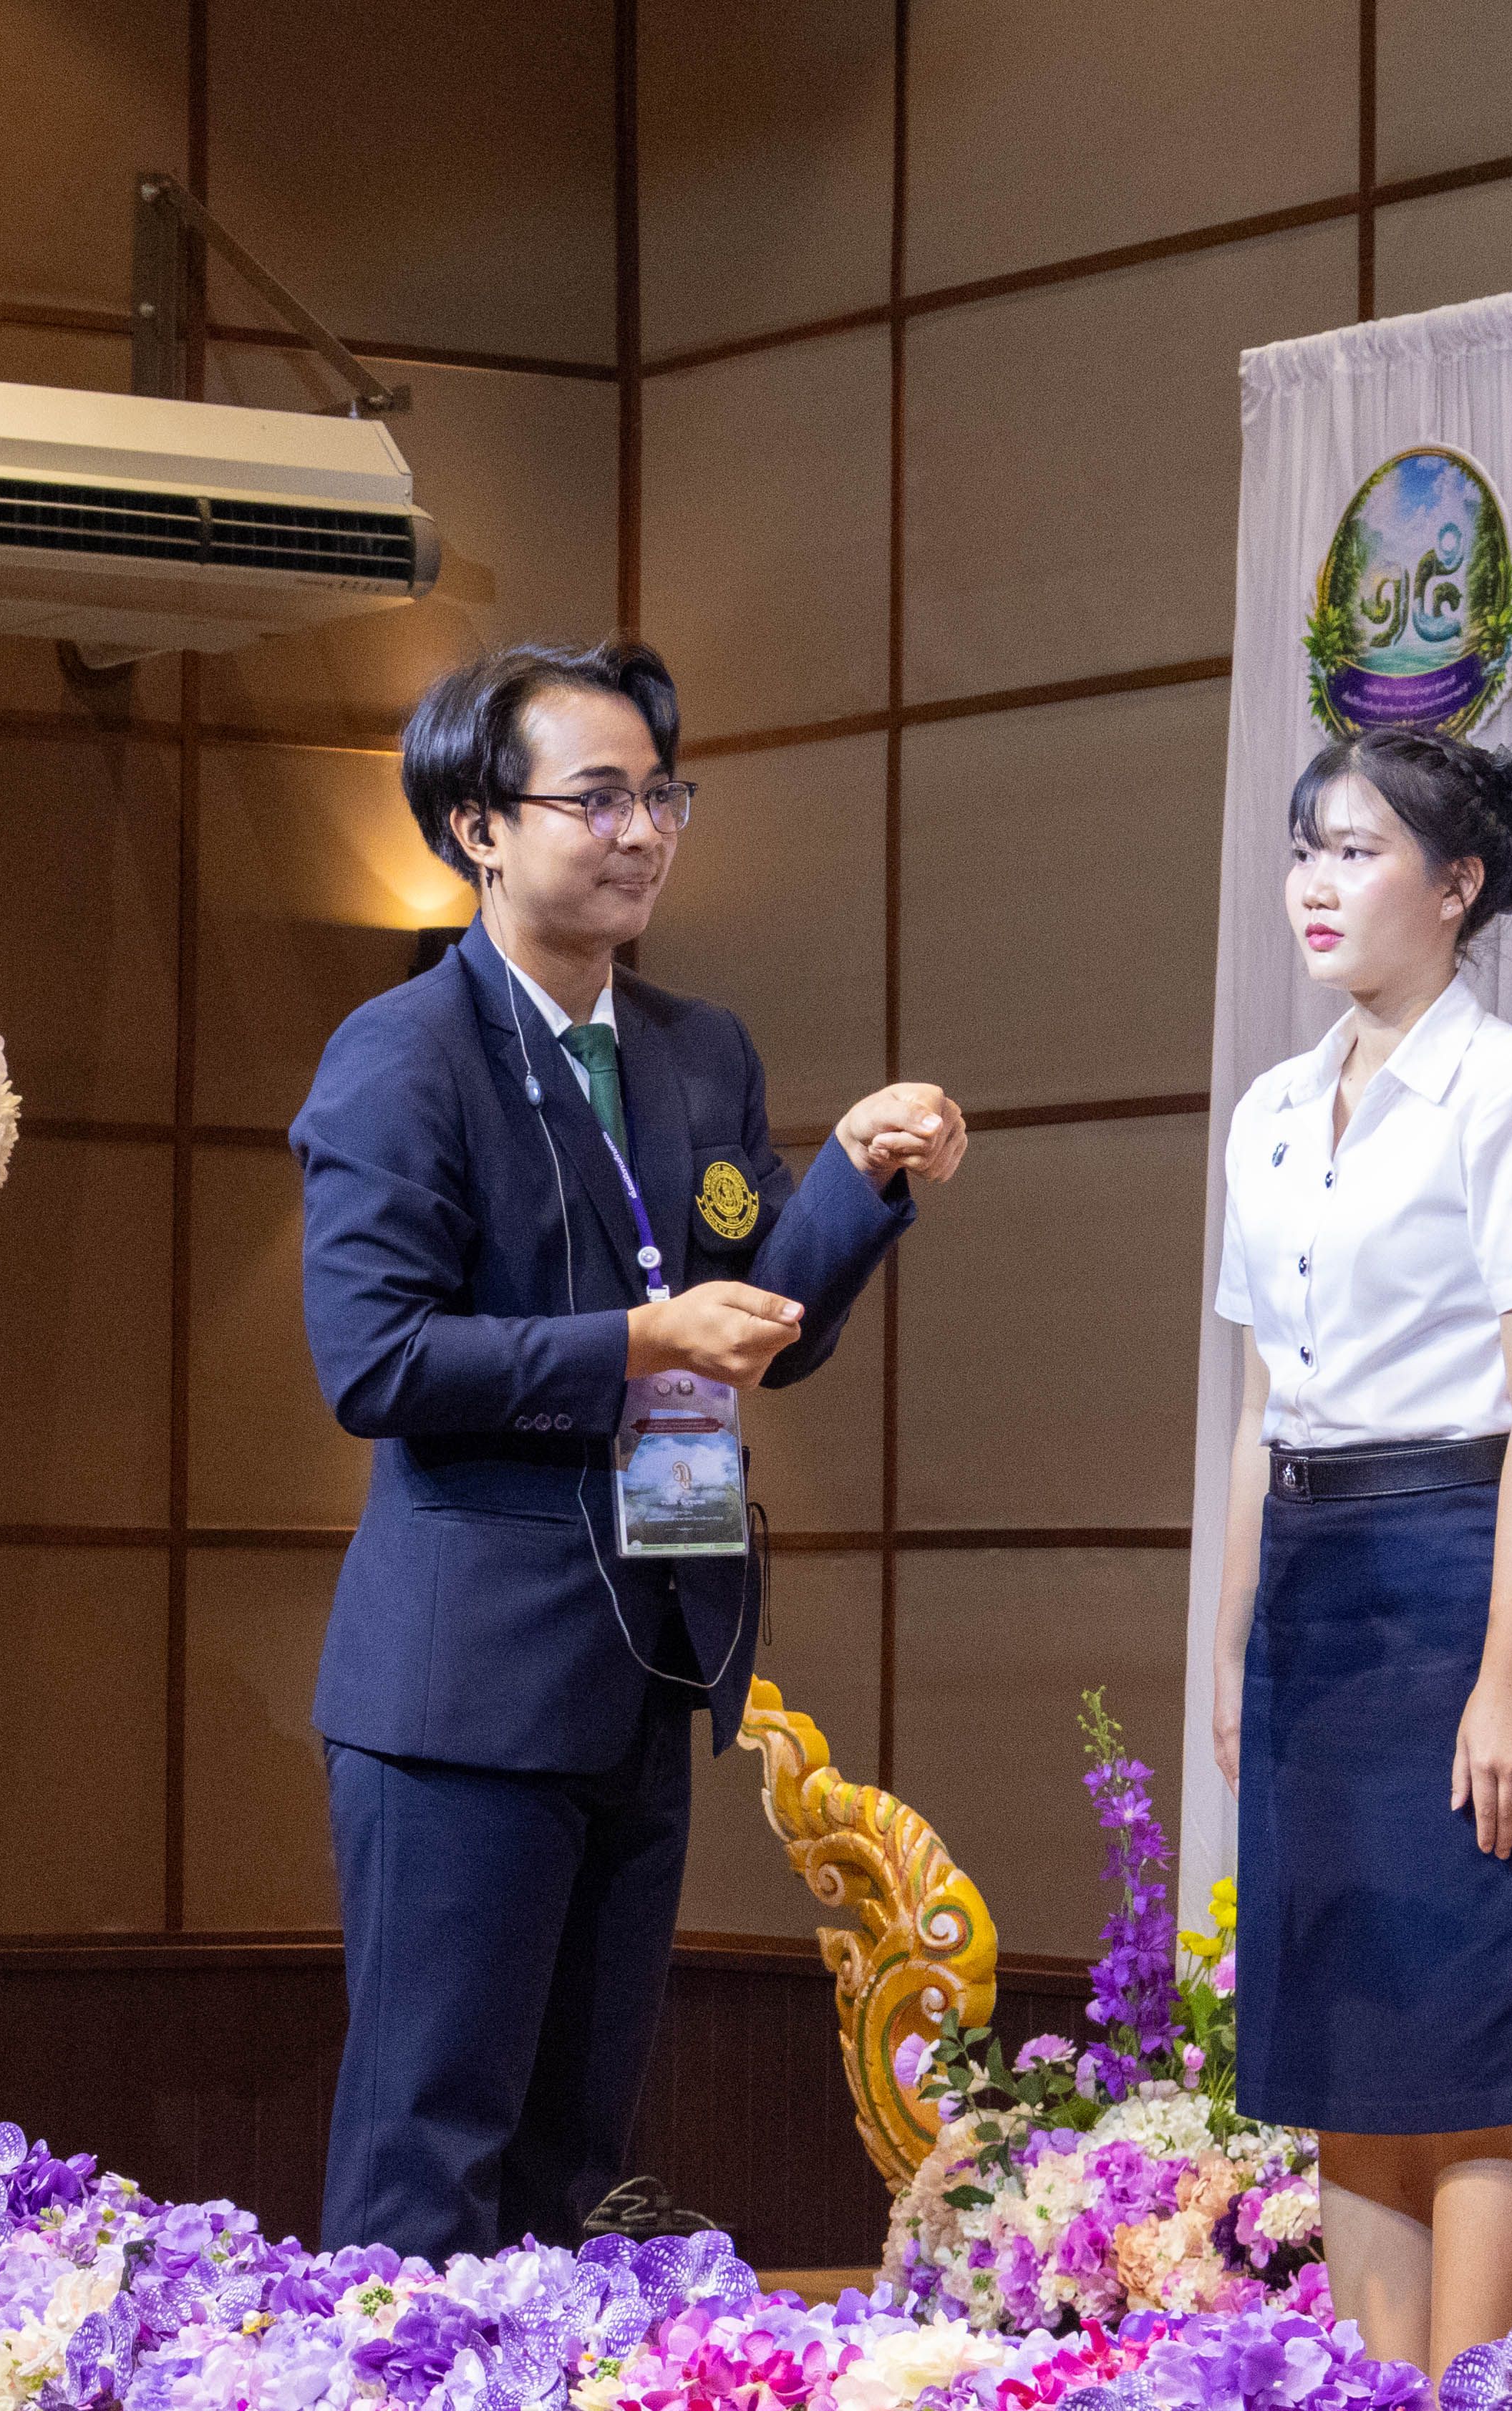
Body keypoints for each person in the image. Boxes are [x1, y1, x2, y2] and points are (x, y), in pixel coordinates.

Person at [291, 637, 968, 2256]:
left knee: (573, 2160)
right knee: (429, 2147)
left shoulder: (695, 1048)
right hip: (466, 1684)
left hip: (654, 1651)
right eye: (595, 799)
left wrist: (853, 1183)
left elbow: (760, 1322)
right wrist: (640, 1342)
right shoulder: (404, 1054)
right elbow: (376, 1360)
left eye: (662, 796)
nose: (642, 831)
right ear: (478, 829)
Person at [1211, 727, 1512, 2374]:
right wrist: (1234, 1646)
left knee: (1474, 2063)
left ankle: (1482, 2390)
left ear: (1457, 886)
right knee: (1349, 2075)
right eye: (1306, 848)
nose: (1316, 882)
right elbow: (1260, 1401)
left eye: (1359, 850)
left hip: (1459, 1568)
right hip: (1313, 1595)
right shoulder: (1269, 1109)